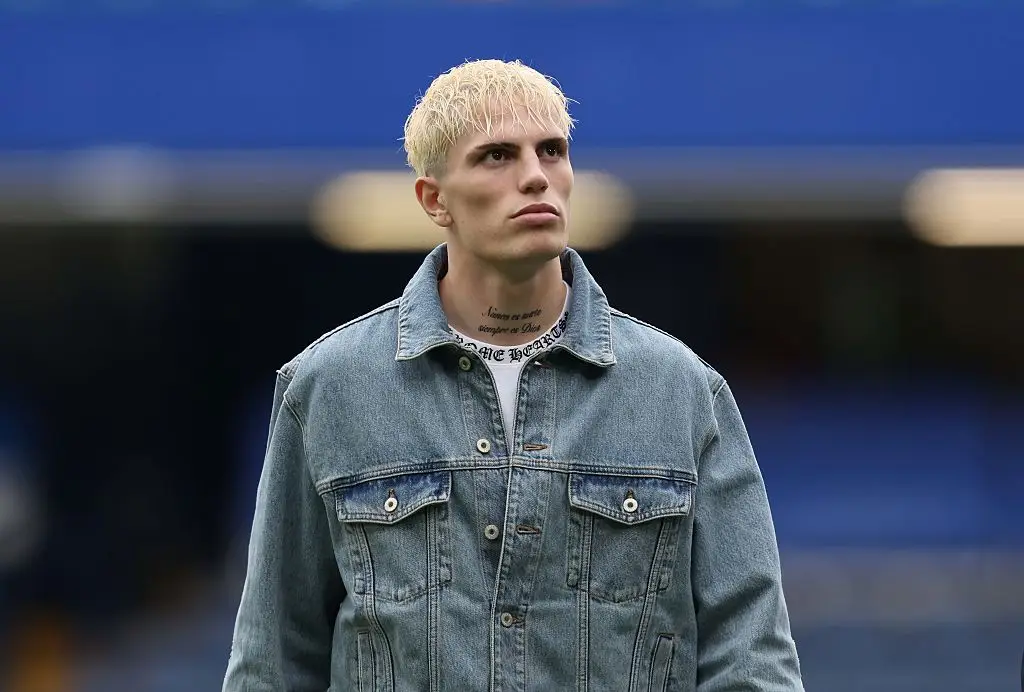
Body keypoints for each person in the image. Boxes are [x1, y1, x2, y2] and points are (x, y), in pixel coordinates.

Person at [223, 58, 803, 691]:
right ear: (434, 199)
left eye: (552, 150)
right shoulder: (327, 387)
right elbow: (272, 661)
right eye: (496, 156)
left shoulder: (682, 390)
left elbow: (751, 656)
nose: (535, 176)